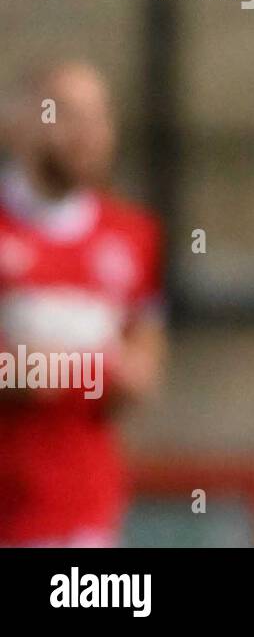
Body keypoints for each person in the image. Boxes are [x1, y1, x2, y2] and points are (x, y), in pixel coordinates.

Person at [0, 62, 166, 547]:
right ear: (20, 122)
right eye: (67, 114)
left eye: (99, 116)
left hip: (85, 516)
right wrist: (93, 370)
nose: (87, 133)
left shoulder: (133, 236)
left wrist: (49, 371)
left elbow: (142, 368)